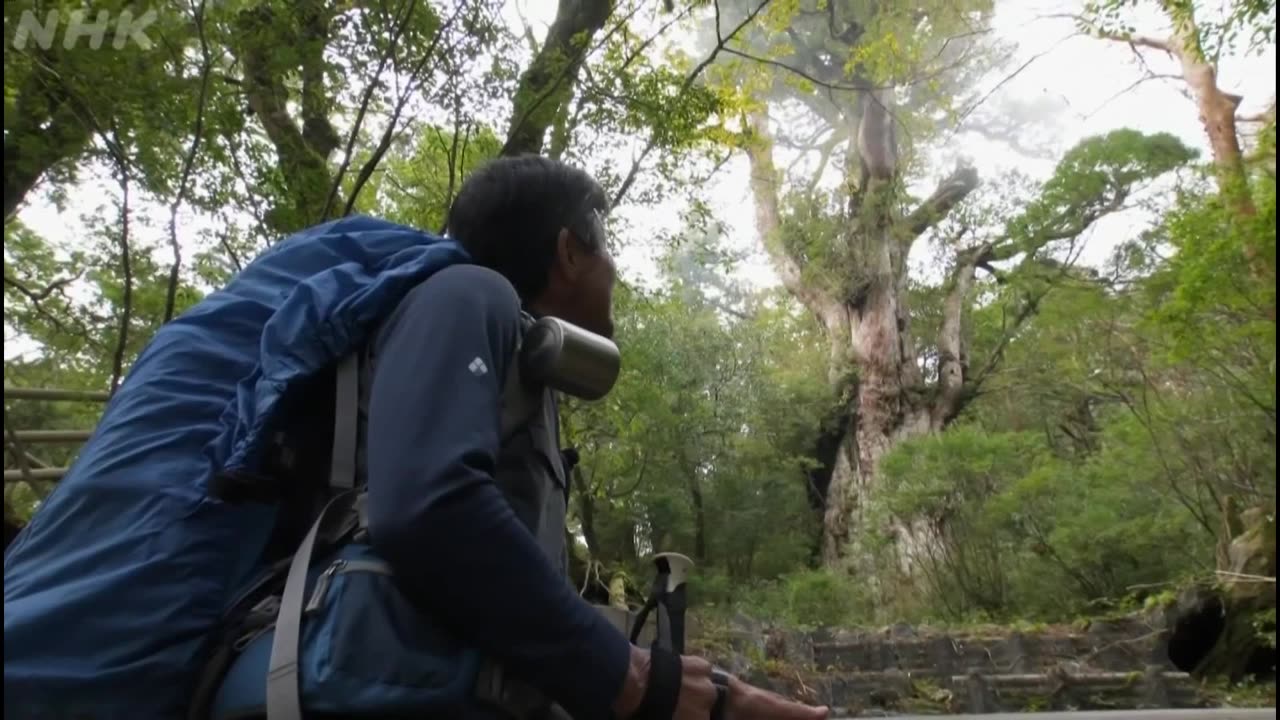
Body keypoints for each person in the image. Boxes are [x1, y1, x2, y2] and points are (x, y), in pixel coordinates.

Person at [363, 154, 830, 719]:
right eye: (606, 250)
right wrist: (634, 679)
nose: (613, 270)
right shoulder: (467, 293)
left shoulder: (524, 369)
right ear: (568, 252)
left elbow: (516, 614)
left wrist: (722, 694)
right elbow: (428, 508)